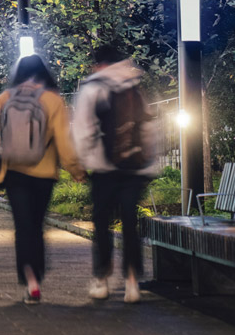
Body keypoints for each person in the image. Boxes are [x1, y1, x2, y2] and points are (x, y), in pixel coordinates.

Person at [0, 55, 85, 303]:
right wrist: (75, 170)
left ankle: (29, 279)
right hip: (43, 174)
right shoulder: (53, 100)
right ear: (43, 73)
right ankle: (37, 275)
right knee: (36, 226)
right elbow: (64, 141)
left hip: (13, 173)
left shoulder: (6, 97)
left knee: (22, 226)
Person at [73, 44, 161, 304]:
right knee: (130, 223)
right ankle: (132, 282)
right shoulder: (134, 84)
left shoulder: (93, 88)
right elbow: (149, 126)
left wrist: (82, 162)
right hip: (135, 168)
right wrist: (149, 163)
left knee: (102, 223)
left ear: (99, 64)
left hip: (104, 168)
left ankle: (102, 279)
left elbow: (83, 129)